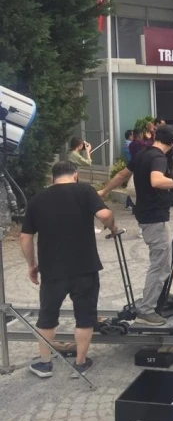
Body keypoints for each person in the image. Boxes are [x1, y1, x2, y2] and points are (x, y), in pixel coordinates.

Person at [20, 161, 117, 378]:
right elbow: (104, 215)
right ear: (75, 175)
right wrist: (112, 225)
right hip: (85, 266)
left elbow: (25, 237)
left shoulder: (37, 199)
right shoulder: (85, 191)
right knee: (85, 315)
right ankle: (80, 364)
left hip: (52, 269)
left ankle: (44, 364)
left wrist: (31, 265)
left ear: (52, 177)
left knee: (47, 315)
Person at [98, 125, 173, 326]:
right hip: (154, 216)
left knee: (160, 261)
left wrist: (104, 191)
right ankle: (147, 309)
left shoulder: (143, 153)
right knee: (161, 265)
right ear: (172, 143)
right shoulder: (159, 158)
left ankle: (156, 296)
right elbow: (156, 181)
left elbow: (122, 175)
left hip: (144, 213)